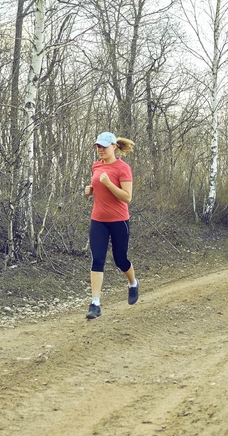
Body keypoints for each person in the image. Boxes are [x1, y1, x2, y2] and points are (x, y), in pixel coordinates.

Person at [84, 131, 139, 319]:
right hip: (98, 220)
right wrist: (90, 190)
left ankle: (133, 283)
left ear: (114, 146)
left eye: (103, 146)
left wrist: (108, 184)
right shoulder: (96, 166)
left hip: (119, 221)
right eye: (98, 146)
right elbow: (98, 188)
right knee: (97, 259)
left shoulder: (123, 168)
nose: (100, 150)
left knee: (120, 259)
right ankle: (95, 304)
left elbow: (127, 197)